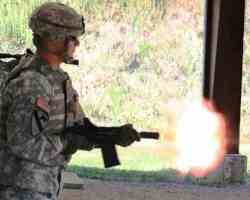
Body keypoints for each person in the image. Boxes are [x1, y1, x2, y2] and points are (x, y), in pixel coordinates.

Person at [0, 2, 140, 200]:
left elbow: (78, 129)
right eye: (72, 38)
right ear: (54, 39)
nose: (77, 44)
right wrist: (66, 143)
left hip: (40, 186)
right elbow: (23, 143)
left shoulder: (57, 78)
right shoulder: (32, 83)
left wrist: (111, 136)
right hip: (19, 189)